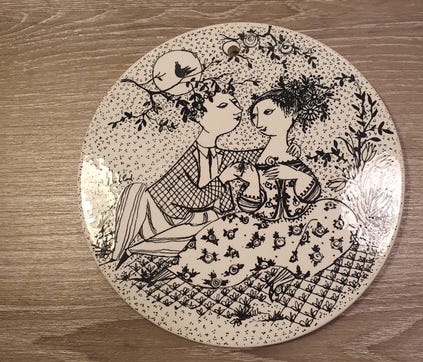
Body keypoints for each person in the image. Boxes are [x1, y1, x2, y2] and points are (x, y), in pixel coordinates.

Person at [149, 81, 359, 295]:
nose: (259, 122)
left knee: (335, 211)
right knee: (226, 228)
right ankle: (177, 270)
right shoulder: (255, 159)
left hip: (300, 226)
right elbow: (249, 207)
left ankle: (292, 271)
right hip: (264, 231)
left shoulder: (292, 156)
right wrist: (253, 183)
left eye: (267, 113)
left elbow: (312, 195)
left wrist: (295, 175)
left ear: (291, 114)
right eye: (255, 116)